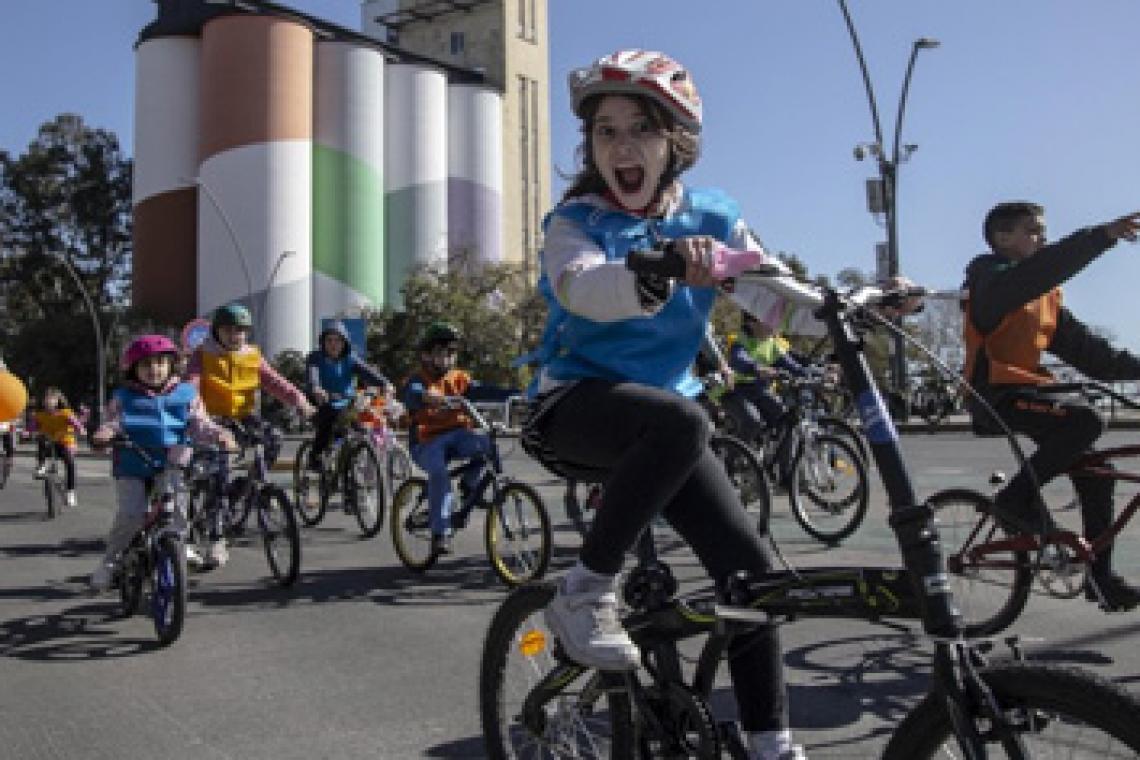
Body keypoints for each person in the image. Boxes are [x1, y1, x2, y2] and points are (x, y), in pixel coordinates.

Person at [519, 50, 822, 760]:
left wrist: (851, 308)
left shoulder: (712, 218)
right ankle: (583, 591)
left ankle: (770, 743)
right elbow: (581, 287)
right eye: (605, 132)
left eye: (640, 131)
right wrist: (652, 272)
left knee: (753, 577)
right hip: (574, 406)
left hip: (665, 425)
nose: (621, 147)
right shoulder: (574, 222)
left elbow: (770, 294)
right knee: (685, 418)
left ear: (673, 143)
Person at [963, 200, 1140, 609]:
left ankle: (1100, 579)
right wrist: (1101, 237)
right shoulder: (989, 279)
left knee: (1100, 472)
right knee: (1085, 420)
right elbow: (1034, 275)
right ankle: (1014, 500)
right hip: (996, 397)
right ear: (1001, 238)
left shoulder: (1044, 298)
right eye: (1034, 231)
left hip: (1032, 394)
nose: (1043, 238)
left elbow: (1096, 358)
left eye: (1044, 231)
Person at [88, 335, 237, 591]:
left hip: (172, 463)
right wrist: (105, 434)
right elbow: (114, 422)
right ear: (134, 370)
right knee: (131, 515)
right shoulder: (124, 397)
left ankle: (178, 547)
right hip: (133, 465)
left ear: (172, 365)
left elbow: (199, 423)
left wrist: (219, 434)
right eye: (146, 365)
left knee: (178, 512)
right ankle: (110, 561)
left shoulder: (187, 393)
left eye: (160, 363)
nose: (154, 369)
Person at [185, 302, 315, 566]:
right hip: (212, 420)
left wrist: (300, 402)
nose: (235, 336)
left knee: (273, 438)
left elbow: (275, 382)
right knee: (217, 473)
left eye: (241, 331)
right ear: (217, 332)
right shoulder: (202, 355)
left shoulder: (252, 356)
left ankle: (244, 489)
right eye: (229, 330)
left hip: (244, 416)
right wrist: (198, 416)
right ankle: (216, 538)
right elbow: (191, 387)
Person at [402, 321, 494, 557]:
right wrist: (425, 396)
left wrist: (521, 394)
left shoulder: (459, 378)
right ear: (426, 355)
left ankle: (469, 485)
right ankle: (440, 533)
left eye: (451, 353)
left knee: (487, 446)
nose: (447, 359)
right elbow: (411, 395)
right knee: (439, 472)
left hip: (458, 435)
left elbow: (482, 391)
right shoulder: (418, 378)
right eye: (441, 353)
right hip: (426, 441)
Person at [303, 320, 391, 471]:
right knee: (327, 423)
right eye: (329, 340)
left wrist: (385, 384)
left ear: (344, 343)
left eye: (338, 340)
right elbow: (313, 376)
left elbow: (368, 373)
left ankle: (352, 469)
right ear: (323, 343)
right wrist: (316, 388)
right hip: (322, 401)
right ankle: (315, 457)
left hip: (346, 402)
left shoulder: (350, 358)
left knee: (360, 428)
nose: (333, 344)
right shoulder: (315, 358)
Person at [33, 386, 85, 508]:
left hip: (65, 442)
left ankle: (70, 492)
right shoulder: (40, 415)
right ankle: (41, 466)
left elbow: (75, 423)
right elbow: (33, 426)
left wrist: (81, 429)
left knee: (70, 462)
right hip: (49, 442)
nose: (48, 402)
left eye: (52, 399)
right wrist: (28, 432)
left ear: (57, 401)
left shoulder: (65, 413)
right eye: (46, 399)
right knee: (41, 439)